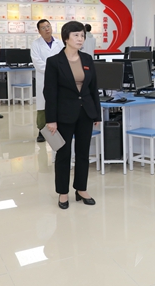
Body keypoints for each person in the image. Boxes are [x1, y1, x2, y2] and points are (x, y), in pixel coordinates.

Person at [44, 21, 101, 209]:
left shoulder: (87, 59)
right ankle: (63, 192)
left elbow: (93, 89)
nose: (80, 39)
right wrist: (51, 119)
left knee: (83, 153)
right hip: (63, 114)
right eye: (76, 35)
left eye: (82, 35)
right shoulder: (54, 62)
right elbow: (50, 92)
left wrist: (97, 115)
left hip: (85, 113)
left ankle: (81, 188)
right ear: (66, 38)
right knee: (63, 154)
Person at [30, 19, 64, 142]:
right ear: (39, 31)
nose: (47, 29)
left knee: (59, 103)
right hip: (43, 78)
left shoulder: (60, 43)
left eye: (48, 26)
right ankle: (41, 131)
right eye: (43, 28)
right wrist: (53, 70)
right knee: (43, 105)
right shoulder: (35, 44)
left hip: (59, 78)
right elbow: (37, 62)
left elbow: (64, 59)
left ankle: (59, 129)